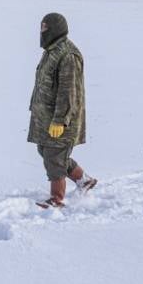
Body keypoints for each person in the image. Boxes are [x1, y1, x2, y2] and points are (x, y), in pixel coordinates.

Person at [27, 12, 96, 208]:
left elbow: (68, 92)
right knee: (45, 150)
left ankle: (56, 199)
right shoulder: (51, 51)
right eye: (41, 28)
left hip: (62, 118)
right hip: (46, 117)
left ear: (55, 29)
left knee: (54, 156)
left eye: (45, 28)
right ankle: (84, 180)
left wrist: (60, 120)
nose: (42, 32)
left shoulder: (67, 55)